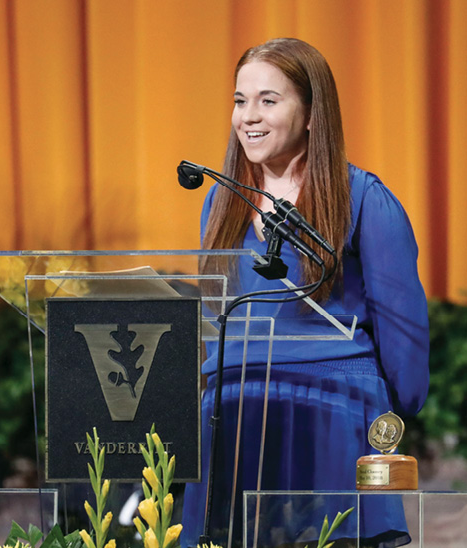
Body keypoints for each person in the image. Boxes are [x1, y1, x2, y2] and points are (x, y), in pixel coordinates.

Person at [181, 38, 429, 548]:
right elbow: (213, 321)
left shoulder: (364, 200)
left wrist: (387, 419)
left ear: (314, 112)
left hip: (333, 418)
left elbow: (404, 338)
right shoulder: (219, 202)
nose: (249, 116)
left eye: (269, 100)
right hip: (232, 419)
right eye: (240, 100)